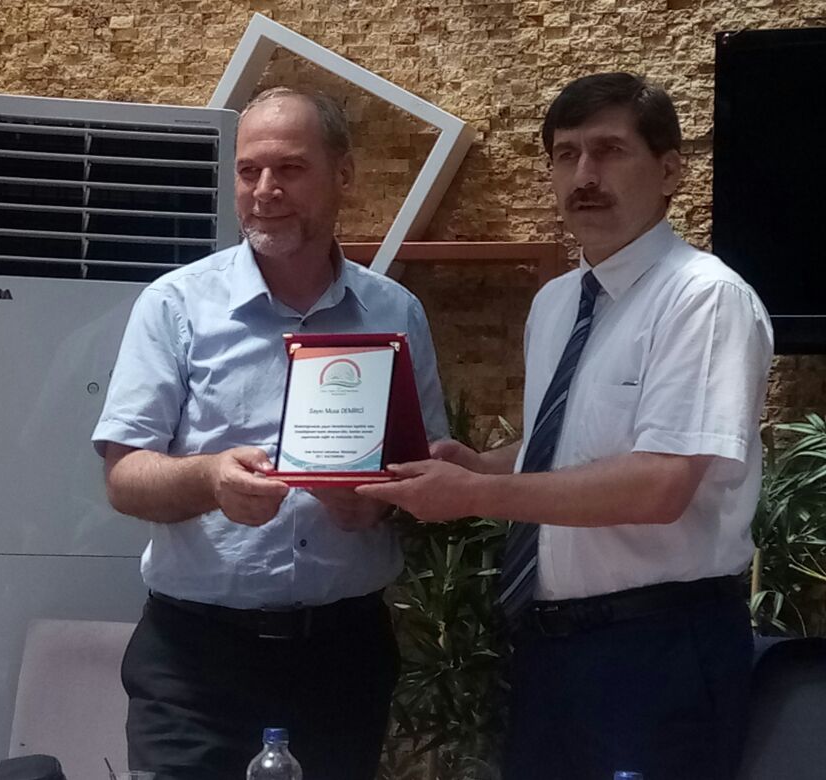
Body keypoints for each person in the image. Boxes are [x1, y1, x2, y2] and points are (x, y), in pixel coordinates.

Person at [359, 72, 773, 780]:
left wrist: (475, 495)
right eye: (566, 154)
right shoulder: (556, 302)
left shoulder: (704, 299)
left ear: (669, 171)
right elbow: (575, 444)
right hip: (551, 649)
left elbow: (659, 484)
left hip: (661, 648)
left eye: (609, 151)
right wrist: (484, 464)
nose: (584, 176)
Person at [92, 86, 449, 780]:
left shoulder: (395, 312)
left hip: (341, 656)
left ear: (343, 175)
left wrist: (377, 504)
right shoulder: (174, 305)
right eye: (249, 170)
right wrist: (209, 479)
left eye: (289, 169)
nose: (265, 191)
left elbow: (427, 472)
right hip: (194, 661)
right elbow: (123, 476)